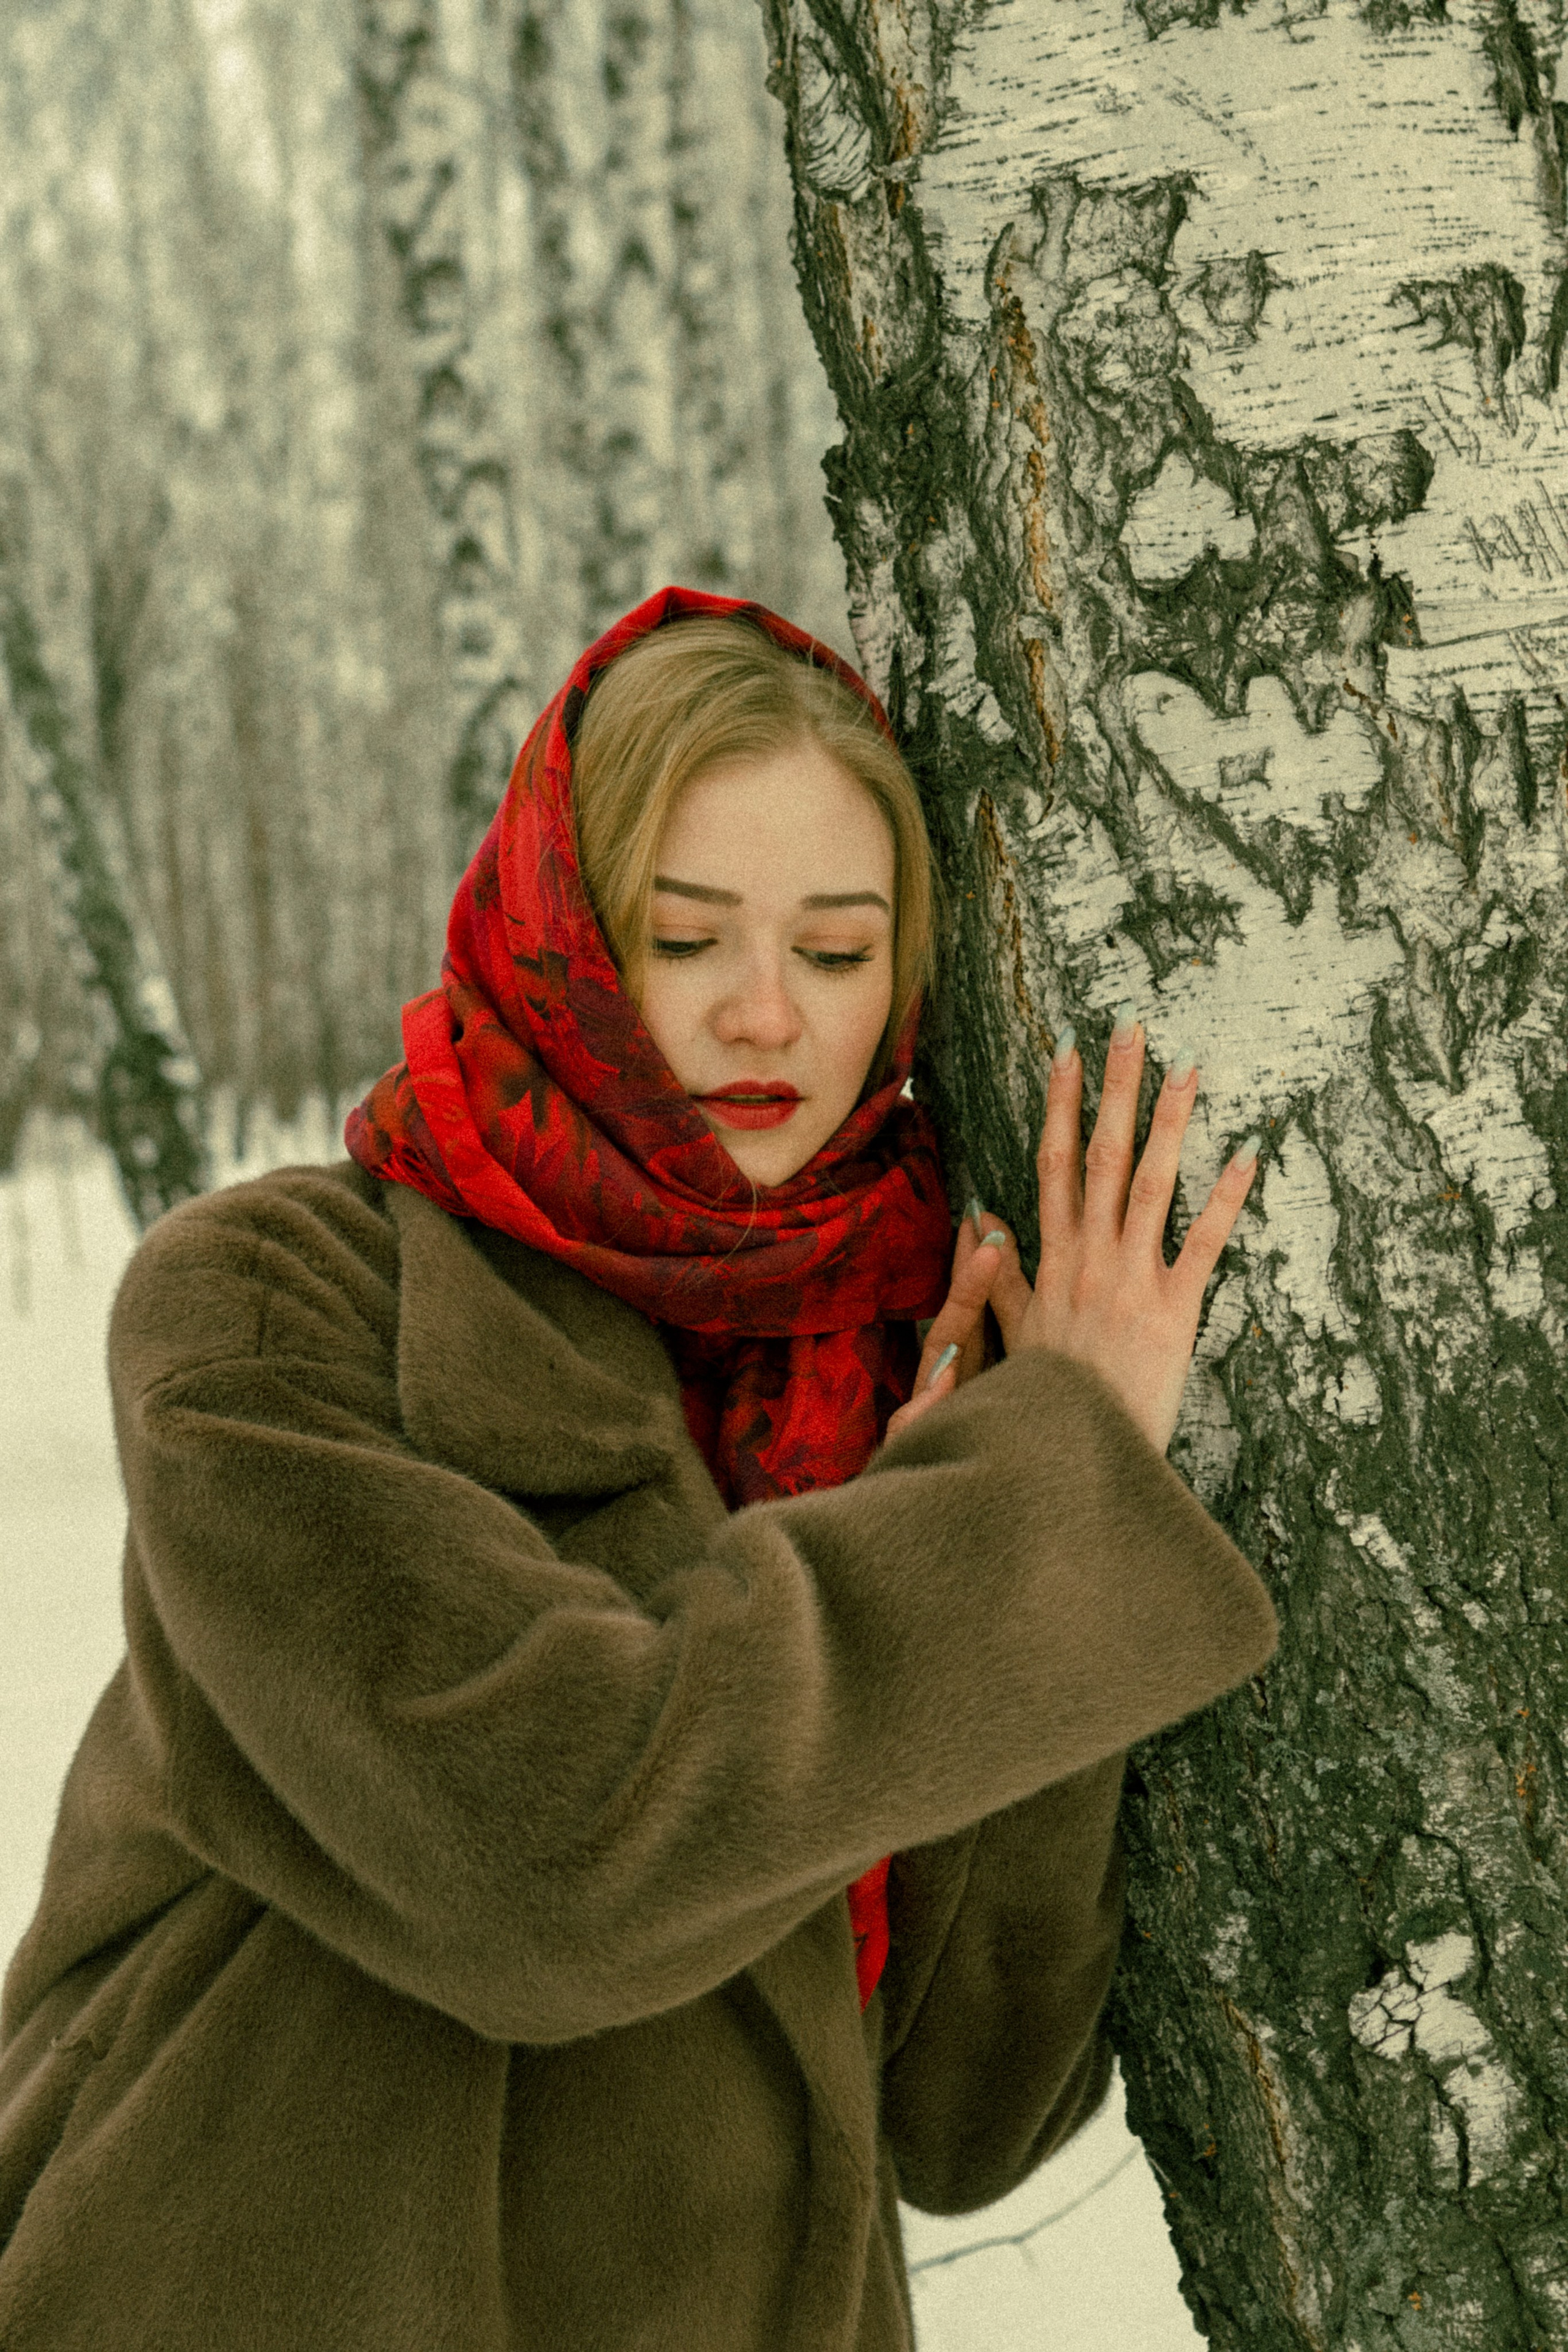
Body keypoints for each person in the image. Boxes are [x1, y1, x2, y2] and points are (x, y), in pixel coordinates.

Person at [0, 586, 1277, 2351]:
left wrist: (1023, 1495)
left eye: (837, 954)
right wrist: (1003, 1520)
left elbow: (967, 2113)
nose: (767, 1015)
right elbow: (543, 1867)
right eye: (686, 940)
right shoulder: (277, 1305)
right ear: (566, 937)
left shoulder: (912, 1369)